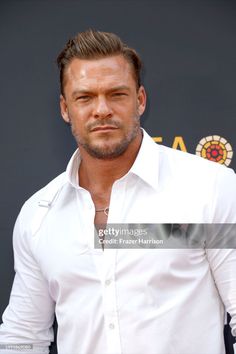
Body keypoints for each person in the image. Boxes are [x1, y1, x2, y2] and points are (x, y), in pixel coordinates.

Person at [0, 29, 235, 354]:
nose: (102, 110)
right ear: (65, 109)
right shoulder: (38, 215)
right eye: (84, 97)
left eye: (116, 94)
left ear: (139, 100)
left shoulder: (209, 188)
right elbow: (22, 338)